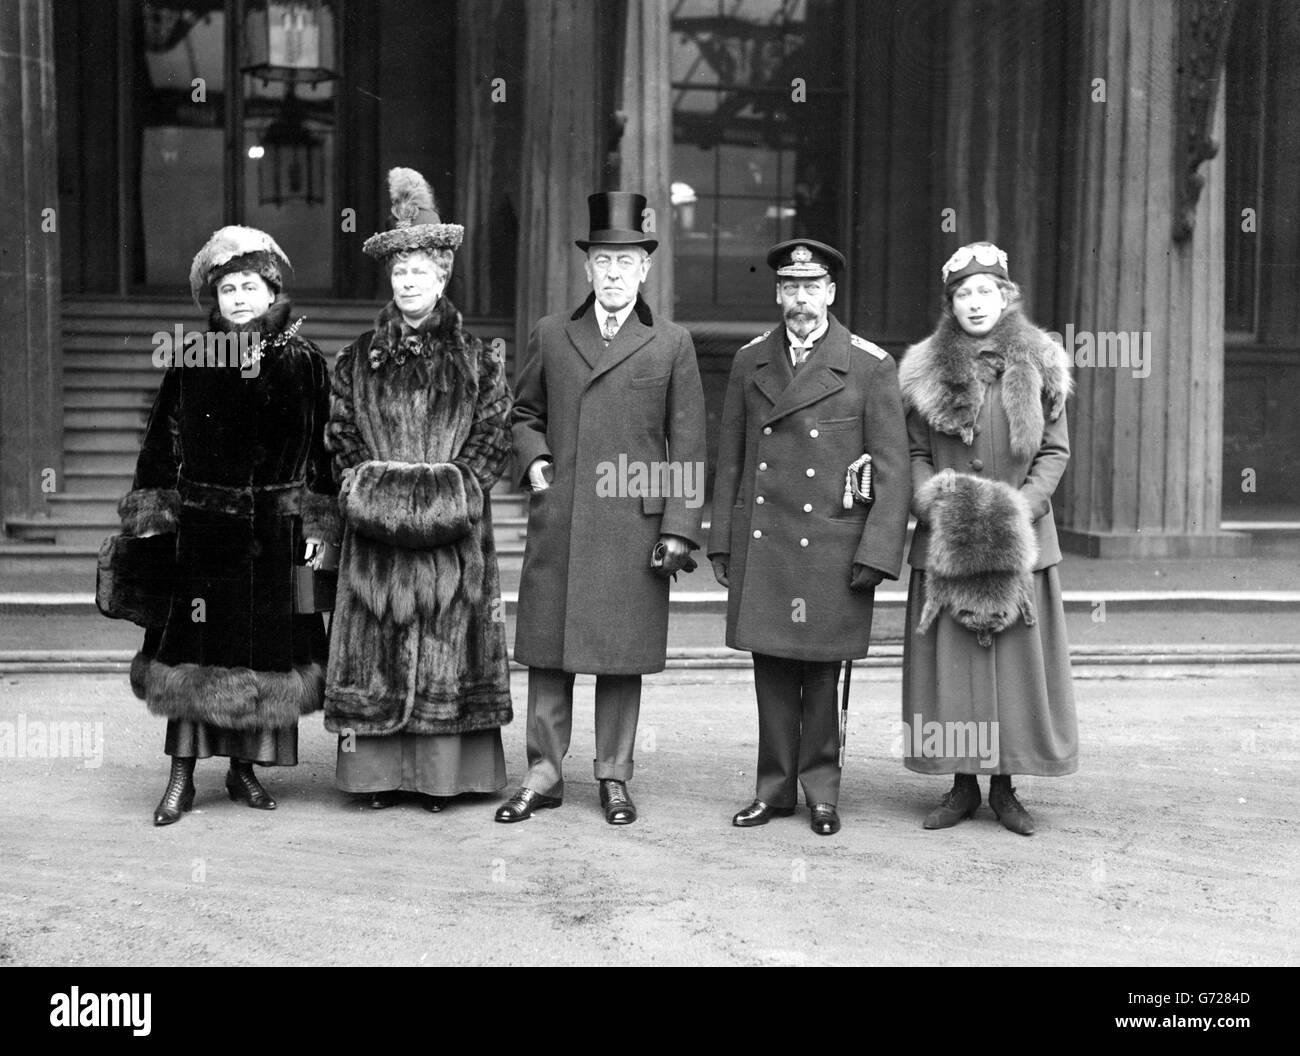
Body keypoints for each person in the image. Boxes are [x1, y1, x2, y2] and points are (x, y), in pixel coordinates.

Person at [118, 225, 339, 826]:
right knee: (195, 652)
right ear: (213, 300)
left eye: (250, 286)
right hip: (205, 531)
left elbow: (325, 452)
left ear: (272, 292)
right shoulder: (192, 360)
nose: (239, 297)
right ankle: (181, 779)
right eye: (228, 289)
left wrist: (320, 523)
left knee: (269, 654)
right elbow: (160, 446)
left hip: (278, 534)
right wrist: (155, 519)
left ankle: (245, 771)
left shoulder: (306, 363)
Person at [498, 191, 708, 826]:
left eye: (626, 262)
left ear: (645, 270)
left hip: (632, 524)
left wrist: (678, 528)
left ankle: (614, 775)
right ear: (587, 269)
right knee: (547, 654)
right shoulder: (551, 334)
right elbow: (524, 412)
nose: (614, 274)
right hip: (562, 518)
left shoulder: (670, 343)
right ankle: (544, 773)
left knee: (620, 658)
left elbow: (689, 444)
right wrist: (535, 462)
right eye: (603, 262)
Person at [323, 167, 513, 813]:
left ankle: (442, 780)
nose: (407, 281)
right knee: (376, 647)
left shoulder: (481, 360)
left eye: (420, 271)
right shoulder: (352, 359)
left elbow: (492, 440)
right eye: (399, 271)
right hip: (373, 542)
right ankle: (374, 778)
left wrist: (450, 498)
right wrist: (372, 494)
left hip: (454, 544)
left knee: (447, 651)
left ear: (442, 278)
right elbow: (341, 436)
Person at [709, 239, 911, 836]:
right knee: (770, 670)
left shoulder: (870, 364)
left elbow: (893, 471)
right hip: (767, 542)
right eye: (790, 288)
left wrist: (877, 551)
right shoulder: (750, 361)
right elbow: (733, 459)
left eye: (811, 287)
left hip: (833, 545)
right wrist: (722, 542)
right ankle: (773, 791)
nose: (800, 299)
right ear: (778, 294)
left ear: (830, 293)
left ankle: (822, 790)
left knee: (823, 674)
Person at [898, 241, 1078, 835]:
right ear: (950, 303)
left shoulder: (1042, 361)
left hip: (1020, 540)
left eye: (986, 292)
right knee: (954, 668)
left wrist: (1019, 511)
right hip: (950, 537)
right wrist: (935, 504)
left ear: (1005, 296)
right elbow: (916, 455)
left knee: (1014, 666)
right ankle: (960, 786)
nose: (975, 303)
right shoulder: (925, 367)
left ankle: (1006, 788)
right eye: (963, 293)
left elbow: (1054, 451)